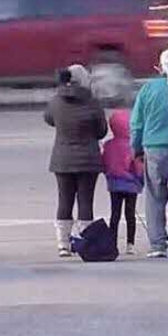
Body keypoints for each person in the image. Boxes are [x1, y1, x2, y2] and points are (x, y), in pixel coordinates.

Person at [44, 64, 107, 257]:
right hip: (88, 159)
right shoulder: (93, 102)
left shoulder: (56, 101)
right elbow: (101, 131)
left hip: (62, 158)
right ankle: (84, 240)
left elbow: (49, 119)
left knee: (64, 200)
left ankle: (63, 243)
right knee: (85, 201)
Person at [130, 48, 168, 258]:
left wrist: (136, 149)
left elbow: (137, 123)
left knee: (155, 197)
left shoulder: (148, 89)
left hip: (154, 147)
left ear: (158, 67)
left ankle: (158, 243)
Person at [102, 109, 144, 255]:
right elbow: (138, 166)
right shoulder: (134, 146)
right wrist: (141, 180)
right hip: (131, 185)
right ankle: (130, 243)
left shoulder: (108, 145)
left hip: (114, 184)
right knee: (130, 214)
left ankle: (112, 242)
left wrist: (108, 175)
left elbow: (104, 163)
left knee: (115, 214)